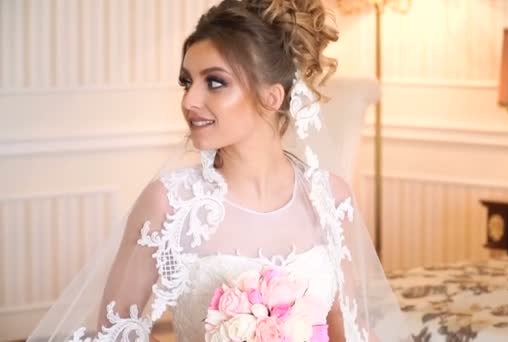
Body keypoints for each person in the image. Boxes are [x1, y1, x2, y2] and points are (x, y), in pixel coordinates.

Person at [28, 0, 405, 341]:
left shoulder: (330, 198)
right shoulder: (170, 204)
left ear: (272, 96)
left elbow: (351, 331)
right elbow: (114, 335)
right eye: (187, 82)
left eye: (215, 82)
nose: (190, 100)